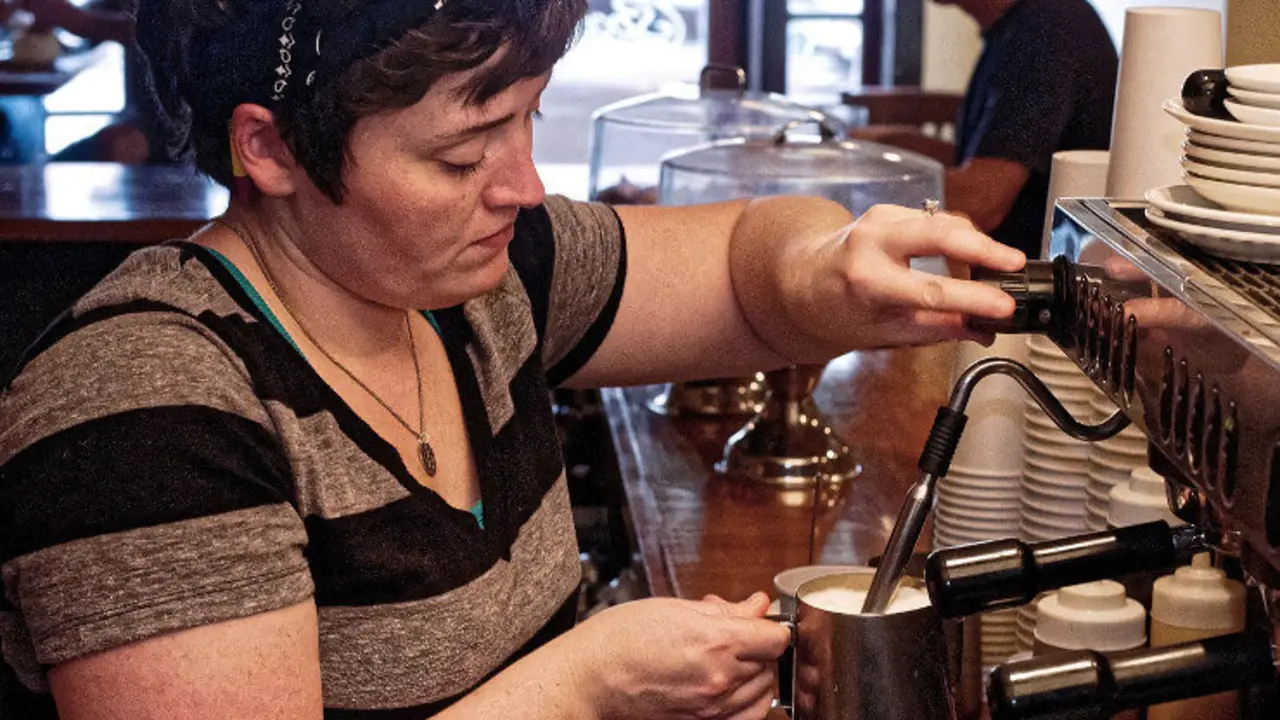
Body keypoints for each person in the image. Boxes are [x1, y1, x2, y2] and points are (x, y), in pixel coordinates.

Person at [0, 1, 1025, 717]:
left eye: (528, 118)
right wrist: (580, 690)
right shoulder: (143, 412)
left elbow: (739, 260)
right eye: (462, 153)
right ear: (266, 149)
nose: (523, 186)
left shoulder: (476, 284)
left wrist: (829, 266)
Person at [855, 0, 1118, 258]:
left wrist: (859, 189)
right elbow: (995, 156)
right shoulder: (1024, 24)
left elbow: (981, 201)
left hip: (1028, 283)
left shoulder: (1049, 27)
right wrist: (888, 148)